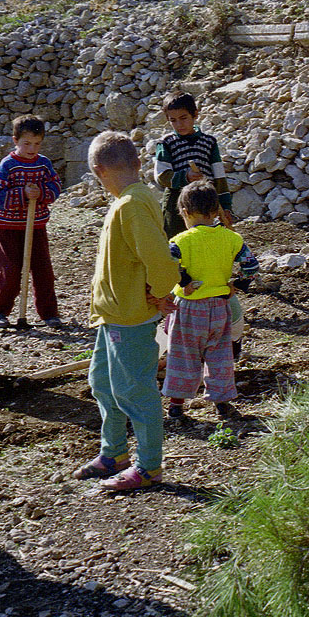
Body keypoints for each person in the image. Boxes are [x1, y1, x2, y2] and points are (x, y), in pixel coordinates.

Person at [74, 131, 181, 491]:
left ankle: (148, 466)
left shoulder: (132, 205)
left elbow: (160, 260)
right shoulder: (131, 199)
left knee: (135, 391)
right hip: (113, 314)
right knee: (103, 383)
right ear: (137, 162)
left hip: (131, 317)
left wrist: (161, 292)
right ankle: (114, 453)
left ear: (98, 170)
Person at [163, 180, 260, 423]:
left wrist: (184, 280)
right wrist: (237, 285)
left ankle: (176, 406)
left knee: (183, 356)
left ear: (185, 212)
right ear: (216, 211)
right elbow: (251, 266)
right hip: (219, 307)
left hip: (188, 308)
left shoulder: (180, 241)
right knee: (220, 356)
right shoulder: (232, 238)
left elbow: (166, 264)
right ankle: (222, 402)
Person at [0, 114, 64, 328]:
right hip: (7, 227)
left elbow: (56, 187)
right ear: (15, 141)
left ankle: (49, 313)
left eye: (37, 143)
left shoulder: (43, 164)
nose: (32, 148)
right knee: (10, 270)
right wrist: (23, 194)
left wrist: (41, 193)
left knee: (43, 271)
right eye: (27, 143)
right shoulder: (8, 165)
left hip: (36, 225)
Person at [154, 91, 234, 238]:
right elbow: (161, 176)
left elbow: (219, 176)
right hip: (176, 203)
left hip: (206, 202)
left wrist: (226, 206)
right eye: (173, 120)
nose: (179, 124)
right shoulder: (166, 143)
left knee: (206, 239)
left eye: (183, 118)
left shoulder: (209, 142)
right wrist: (185, 177)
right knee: (176, 240)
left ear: (195, 115)